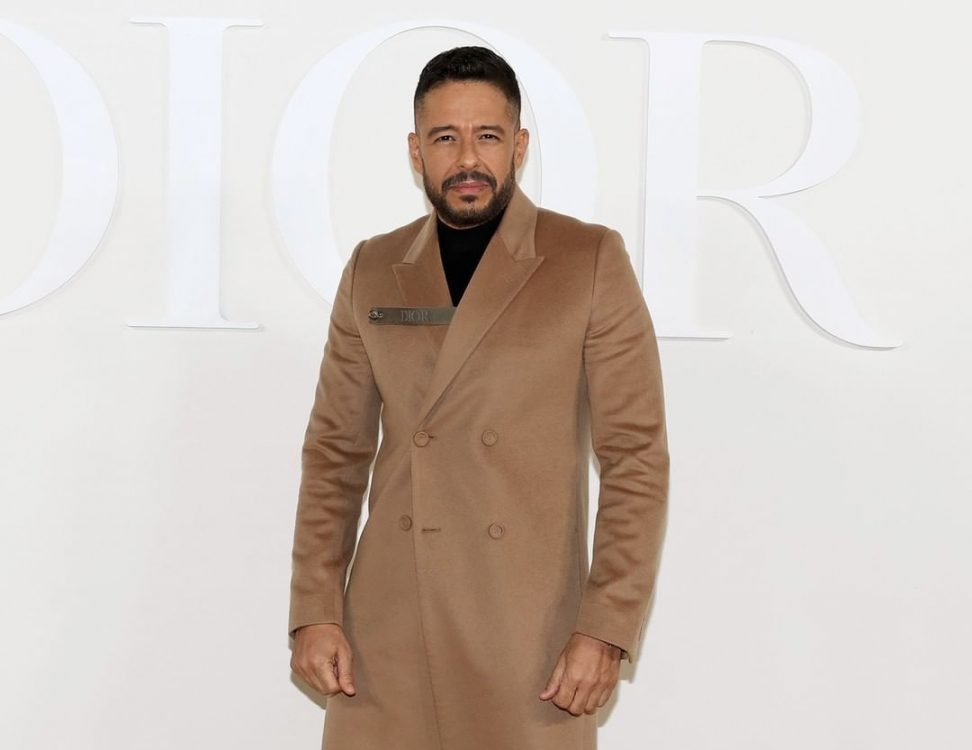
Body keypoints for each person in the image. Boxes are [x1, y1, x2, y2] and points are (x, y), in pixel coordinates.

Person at [288, 45, 669, 750]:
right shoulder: (374, 267)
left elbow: (635, 458)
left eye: (487, 135)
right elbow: (336, 453)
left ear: (518, 146)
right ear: (416, 152)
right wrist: (315, 608)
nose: (468, 158)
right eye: (445, 137)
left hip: (531, 639)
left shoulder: (587, 260)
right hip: (386, 636)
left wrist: (605, 628)